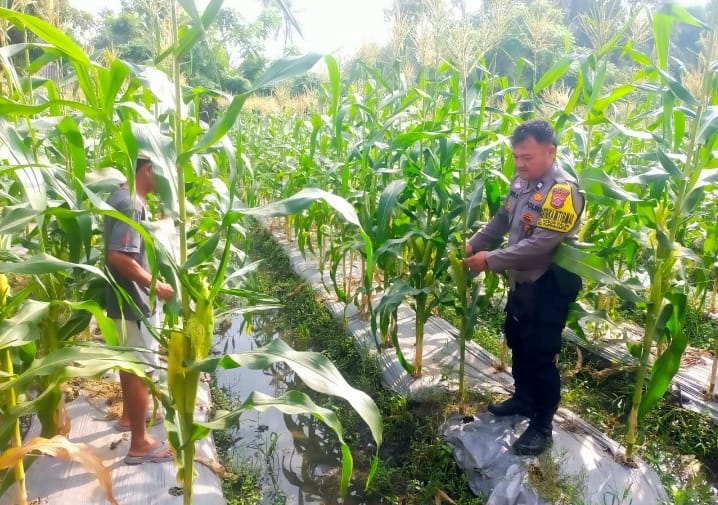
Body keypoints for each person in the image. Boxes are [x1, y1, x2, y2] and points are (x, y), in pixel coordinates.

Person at [464, 120, 583, 456]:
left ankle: (542, 425)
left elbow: (542, 244)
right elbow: (503, 219)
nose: (519, 163)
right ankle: (523, 397)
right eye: (516, 156)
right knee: (517, 339)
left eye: (527, 157)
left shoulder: (562, 192)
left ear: (550, 151)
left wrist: (490, 259)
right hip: (522, 281)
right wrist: (475, 243)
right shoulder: (520, 181)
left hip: (548, 283)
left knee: (540, 354)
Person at [105, 155, 175, 464]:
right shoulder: (132, 204)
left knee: (129, 365)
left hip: (123, 302)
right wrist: (156, 286)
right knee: (141, 370)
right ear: (148, 169)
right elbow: (118, 256)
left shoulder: (121, 195)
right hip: (134, 303)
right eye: (164, 172)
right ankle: (140, 444)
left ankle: (128, 417)